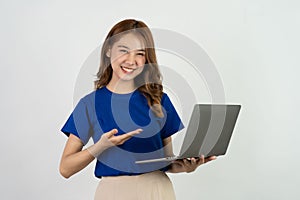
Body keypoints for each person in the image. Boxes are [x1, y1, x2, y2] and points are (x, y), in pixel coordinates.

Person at [59, 19, 216, 200]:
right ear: (108, 50)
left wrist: (186, 167)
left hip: (157, 191)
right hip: (113, 193)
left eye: (140, 54)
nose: (131, 61)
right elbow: (65, 168)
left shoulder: (158, 100)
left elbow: (167, 162)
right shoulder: (89, 104)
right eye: (124, 50)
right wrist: (100, 146)